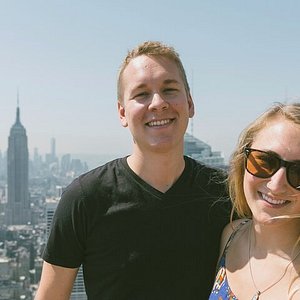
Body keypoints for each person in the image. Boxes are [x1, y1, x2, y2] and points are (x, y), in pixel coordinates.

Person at [35, 41, 230, 300]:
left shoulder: (225, 194)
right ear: (122, 112)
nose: (158, 103)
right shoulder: (84, 199)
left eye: (169, 89)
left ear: (190, 103)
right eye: (141, 94)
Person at [209, 102, 300, 299]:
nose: (276, 184)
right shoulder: (231, 235)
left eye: (298, 172)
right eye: (264, 162)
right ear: (243, 162)